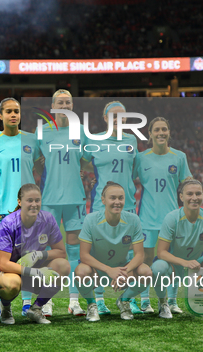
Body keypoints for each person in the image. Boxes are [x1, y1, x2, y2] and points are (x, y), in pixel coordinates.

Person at [0, 98, 42, 318]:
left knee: (30, 256)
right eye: (8, 111)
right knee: (3, 259)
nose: (13, 115)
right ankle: (4, 304)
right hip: (2, 207)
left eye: (16, 111)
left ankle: (27, 303)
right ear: (0, 115)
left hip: (29, 210)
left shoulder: (31, 140)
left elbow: (40, 167)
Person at [82, 101, 138, 316]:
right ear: (105, 118)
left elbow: (133, 168)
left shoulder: (131, 140)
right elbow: (85, 162)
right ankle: (98, 299)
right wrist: (89, 172)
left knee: (130, 251)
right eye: (113, 115)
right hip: (100, 204)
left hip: (128, 203)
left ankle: (128, 299)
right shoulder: (94, 140)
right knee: (98, 252)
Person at [37, 89, 89, 317]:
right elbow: (35, 163)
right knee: (49, 252)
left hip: (75, 199)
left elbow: (87, 162)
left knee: (75, 251)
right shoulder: (42, 132)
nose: (65, 106)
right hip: (49, 199)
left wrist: (90, 173)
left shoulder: (82, 132)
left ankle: (74, 301)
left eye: (68, 102)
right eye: (61, 103)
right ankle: (46, 301)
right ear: (52, 107)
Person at [0, 184, 70, 324]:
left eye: (37, 200)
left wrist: (38, 255)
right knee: (12, 284)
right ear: (19, 202)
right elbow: (3, 264)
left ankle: (36, 308)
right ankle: (6, 307)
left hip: (32, 270)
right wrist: (36, 272)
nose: (34, 204)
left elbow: (61, 252)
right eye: (29, 200)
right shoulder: (8, 223)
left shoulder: (48, 219)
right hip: (5, 271)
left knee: (63, 266)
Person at [150, 179, 203, 318]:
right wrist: (184, 263)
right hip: (173, 265)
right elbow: (161, 252)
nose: (194, 198)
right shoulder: (171, 218)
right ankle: (163, 303)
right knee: (158, 268)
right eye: (190, 194)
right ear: (181, 197)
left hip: (196, 263)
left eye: (198, 194)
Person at [134, 117, 192, 314]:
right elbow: (125, 177)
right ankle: (144, 300)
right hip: (147, 219)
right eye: (156, 130)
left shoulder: (179, 157)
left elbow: (187, 184)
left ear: (169, 133)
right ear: (149, 134)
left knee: (174, 261)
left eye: (164, 129)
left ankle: (172, 301)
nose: (161, 133)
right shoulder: (141, 157)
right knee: (146, 261)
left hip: (172, 220)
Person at [76, 182, 151, 321]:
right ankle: (92, 305)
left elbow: (140, 255)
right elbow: (84, 255)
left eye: (121, 198)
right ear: (103, 200)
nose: (117, 202)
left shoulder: (133, 220)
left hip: (123, 268)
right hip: (97, 270)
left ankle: (124, 300)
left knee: (146, 272)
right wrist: (109, 270)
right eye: (113, 198)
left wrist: (125, 271)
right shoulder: (91, 219)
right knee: (80, 272)